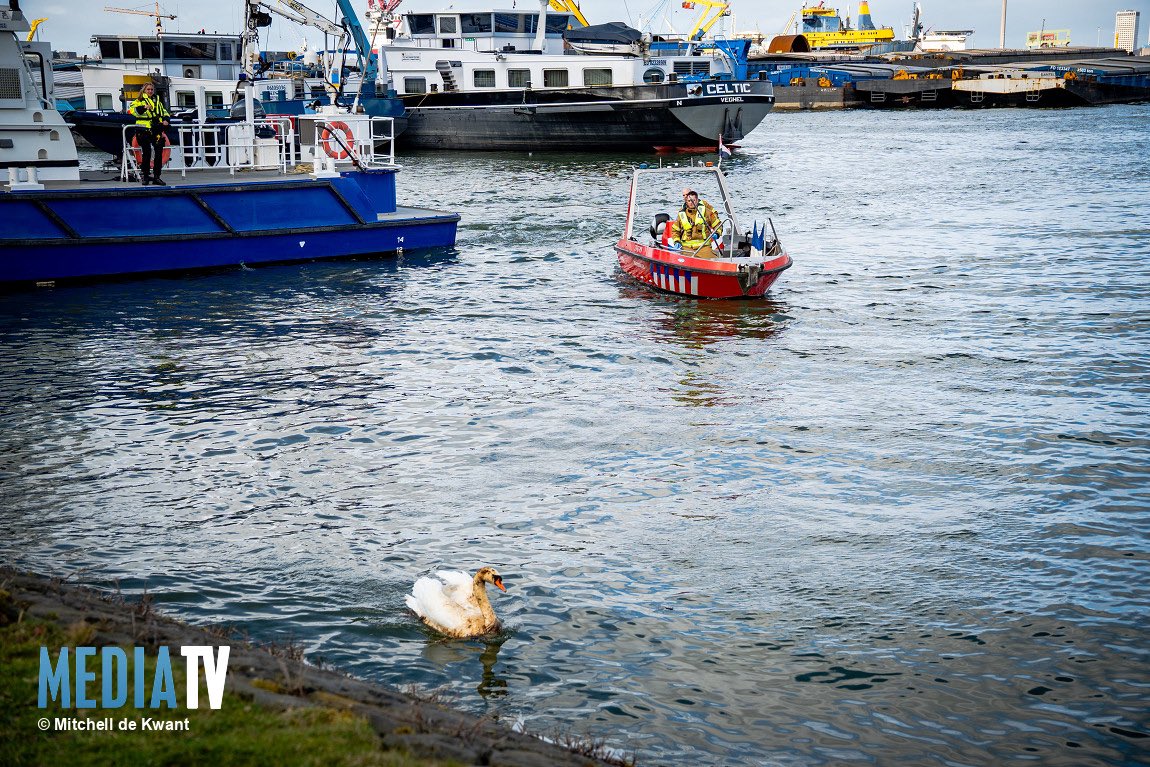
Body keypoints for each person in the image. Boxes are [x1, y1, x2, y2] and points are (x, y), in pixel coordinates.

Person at [128, 82, 171, 185]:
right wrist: (144, 107)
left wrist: (166, 120)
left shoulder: (157, 102)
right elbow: (133, 111)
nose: (150, 91)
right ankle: (146, 176)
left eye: (152, 89)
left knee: (159, 153)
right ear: (144, 90)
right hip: (143, 130)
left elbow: (164, 112)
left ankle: (157, 176)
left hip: (156, 129)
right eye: (148, 89)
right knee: (146, 153)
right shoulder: (138, 101)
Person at [670, 189, 723, 259]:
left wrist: (717, 233)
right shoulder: (681, 214)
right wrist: (677, 241)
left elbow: (718, 224)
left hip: (703, 248)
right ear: (686, 201)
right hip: (686, 249)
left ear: (697, 200)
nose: (691, 203)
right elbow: (675, 230)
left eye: (693, 200)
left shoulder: (706, 212)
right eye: (689, 201)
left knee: (714, 262)